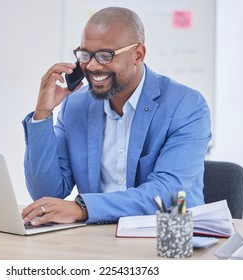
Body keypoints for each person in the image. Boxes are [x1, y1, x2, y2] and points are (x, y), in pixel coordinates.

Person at [21, 7, 211, 226]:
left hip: (168, 238)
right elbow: (46, 192)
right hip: (97, 238)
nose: (91, 65)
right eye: (85, 54)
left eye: (105, 55)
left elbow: (166, 193)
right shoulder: (75, 106)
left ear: (138, 55)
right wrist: (42, 114)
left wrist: (83, 209)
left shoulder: (186, 106)